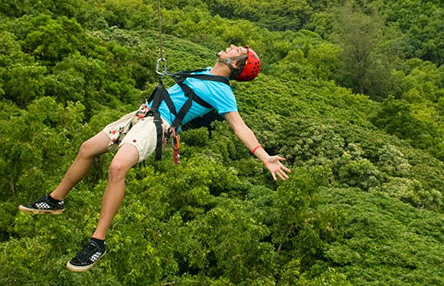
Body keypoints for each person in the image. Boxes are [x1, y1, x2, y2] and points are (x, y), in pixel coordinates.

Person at [19, 45, 291, 272]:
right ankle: (55, 200)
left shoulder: (224, 92)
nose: (231, 46)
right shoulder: (204, 72)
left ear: (235, 65)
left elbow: (239, 126)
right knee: (87, 148)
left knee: (117, 167)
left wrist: (264, 156)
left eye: (237, 50)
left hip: (158, 126)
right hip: (143, 115)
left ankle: (97, 242)